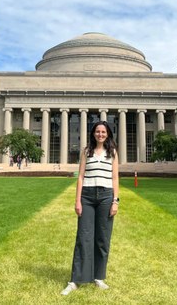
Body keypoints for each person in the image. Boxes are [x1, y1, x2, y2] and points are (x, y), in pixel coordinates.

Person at [61, 121, 119, 296]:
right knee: (83, 238)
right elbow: (80, 177)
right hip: (87, 195)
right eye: (97, 131)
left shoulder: (113, 153)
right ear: (93, 133)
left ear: (108, 134)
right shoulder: (86, 151)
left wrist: (115, 201)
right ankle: (75, 279)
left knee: (103, 238)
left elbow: (115, 178)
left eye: (103, 131)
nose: (100, 134)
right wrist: (77, 200)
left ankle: (98, 277)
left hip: (106, 196)